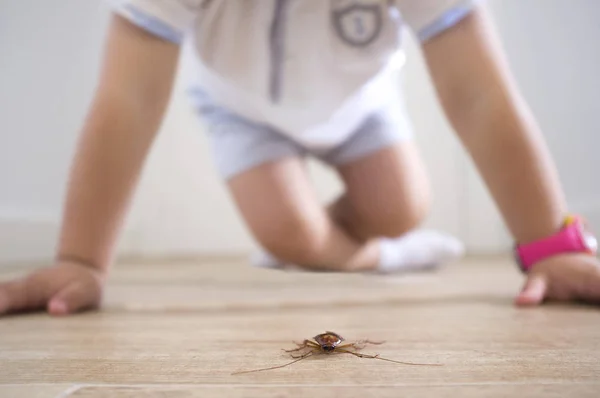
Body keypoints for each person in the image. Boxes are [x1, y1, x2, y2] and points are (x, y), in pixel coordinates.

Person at [1, 0, 599, 317]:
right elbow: (126, 100)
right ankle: (371, 261)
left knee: (401, 208)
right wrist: (81, 259)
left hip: (361, 102)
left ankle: (384, 245)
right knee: (288, 232)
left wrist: (549, 245)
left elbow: (479, 93)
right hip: (242, 109)